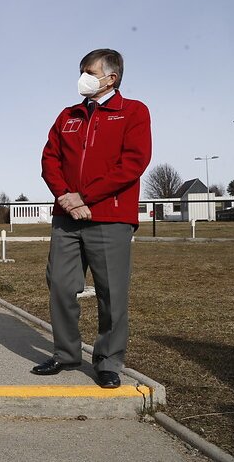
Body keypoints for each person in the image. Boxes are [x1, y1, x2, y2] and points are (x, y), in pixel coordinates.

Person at [34, 48, 152, 388]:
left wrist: (86, 196)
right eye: (82, 70)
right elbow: (49, 160)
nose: (83, 77)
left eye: (89, 71)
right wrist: (67, 199)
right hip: (68, 217)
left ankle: (108, 361)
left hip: (110, 218)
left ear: (111, 77)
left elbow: (133, 162)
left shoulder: (132, 112)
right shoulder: (68, 115)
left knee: (111, 293)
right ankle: (66, 353)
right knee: (59, 284)